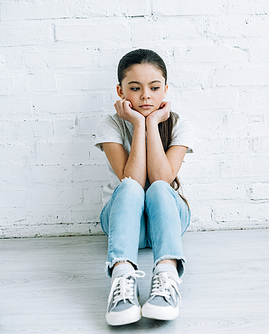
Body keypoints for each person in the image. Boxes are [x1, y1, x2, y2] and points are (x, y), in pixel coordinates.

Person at [94, 49, 194, 326]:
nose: (146, 96)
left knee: (160, 188)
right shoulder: (110, 124)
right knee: (129, 188)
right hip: (125, 224)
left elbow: (164, 178)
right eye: (135, 88)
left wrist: (154, 123)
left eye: (154, 88)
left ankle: (167, 274)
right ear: (120, 90)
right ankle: (122, 279)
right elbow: (134, 181)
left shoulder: (179, 124)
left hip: (168, 220)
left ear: (165, 90)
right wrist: (140, 124)